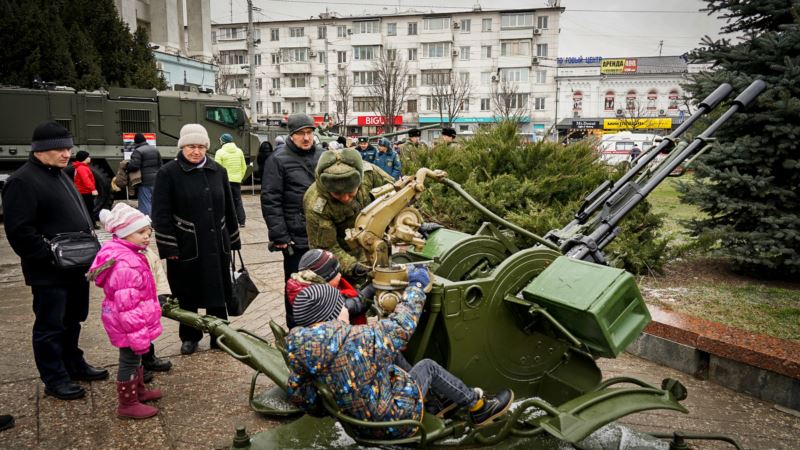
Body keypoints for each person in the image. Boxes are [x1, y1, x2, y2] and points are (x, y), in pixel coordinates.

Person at [286, 266, 514, 439]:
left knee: (390, 355)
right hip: (394, 424)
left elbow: (303, 397)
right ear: (332, 314)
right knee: (427, 367)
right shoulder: (356, 339)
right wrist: (416, 286)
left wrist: (343, 403)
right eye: (342, 308)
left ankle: (434, 402)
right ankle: (480, 408)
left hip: (357, 425)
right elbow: (402, 325)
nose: (345, 311)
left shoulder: (298, 350)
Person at [2, 121, 109, 401]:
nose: (66, 153)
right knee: (51, 325)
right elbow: (20, 232)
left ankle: (74, 364)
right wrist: (50, 257)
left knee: (73, 320)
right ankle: (54, 377)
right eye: (59, 148)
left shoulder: (60, 173)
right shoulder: (22, 181)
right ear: (39, 150)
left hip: (75, 267)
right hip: (50, 272)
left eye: (68, 148)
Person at [152, 123, 241, 355]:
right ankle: (189, 336)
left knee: (218, 292)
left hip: (217, 243)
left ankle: (219, 334)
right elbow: (160, 213)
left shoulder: (218, 170)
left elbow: (229, 208)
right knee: (187, 293)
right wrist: (168, 245)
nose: (196, 151)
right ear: (182, 147)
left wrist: (233, 238)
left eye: (201, 147)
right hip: (186, 244)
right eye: (191, 146)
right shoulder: (168, 173)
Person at [87, 203, 163, 419]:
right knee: (129, 360)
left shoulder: (130, 253)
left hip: (133, 322)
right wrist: (138, 334)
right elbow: (127, 305)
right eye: (140, 232)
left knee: (135, 358)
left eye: (148, 232)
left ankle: (138, 391)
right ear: (123, 233)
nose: (147, 237)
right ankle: (127, 403)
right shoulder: (126, 263)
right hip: (129, 324)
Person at [261, 114, 323, 328]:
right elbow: (271, 200)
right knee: (297, 286)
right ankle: (295, 329)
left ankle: (321, 327)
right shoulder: (278, 160)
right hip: (295, 237)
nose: (306, 138)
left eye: (309, 133)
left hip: (322, 234)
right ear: (292, 135)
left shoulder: (323, 156)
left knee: (324, 284)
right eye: (301, 134)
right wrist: (280, 236)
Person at [304, 148, 394, 281]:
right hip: (345, 256)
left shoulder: (369, 174)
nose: (345, 198)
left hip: (378, 245)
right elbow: (326, 248)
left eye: (351, 192)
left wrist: (414, 224)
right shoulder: (317, 205)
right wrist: (352, 267)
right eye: (337, 194)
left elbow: (396, 195)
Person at [286, 249, 371, 327]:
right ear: (325, 278)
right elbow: (351, 306)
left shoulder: (304, 287)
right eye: (336, 273)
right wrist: (371, 289)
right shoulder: (315, 297)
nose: (340, 275)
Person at [215, 133, 248, 227]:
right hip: (237, 181)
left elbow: (218, 169)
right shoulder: (239, 151)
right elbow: (244, 167)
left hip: (225, 182)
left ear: (223, 141)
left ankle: (228, 221)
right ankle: (242, 221)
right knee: (238, 201)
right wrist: (240, 177)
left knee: (225, 201)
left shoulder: (219, 152)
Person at [127, 132, 162, 216]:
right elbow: (160, 165)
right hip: (156, 181)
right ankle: (156, 220)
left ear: (136, 142)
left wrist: (127, 166)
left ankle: (147, 222)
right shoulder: (155, 150)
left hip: (144, 182)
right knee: (154, 202)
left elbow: (134, 166)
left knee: (145, 203)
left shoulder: (138, 151)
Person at [71, 150, 98, 221]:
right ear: (84, 158)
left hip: (83, 192)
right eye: (88, 156)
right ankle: (91, 224)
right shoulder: (82, 168)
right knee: (89, 208)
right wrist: (93, 189)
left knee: (86, 208)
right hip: (85, 192)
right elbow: (86, 180)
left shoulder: (80, 167)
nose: (89, 158)